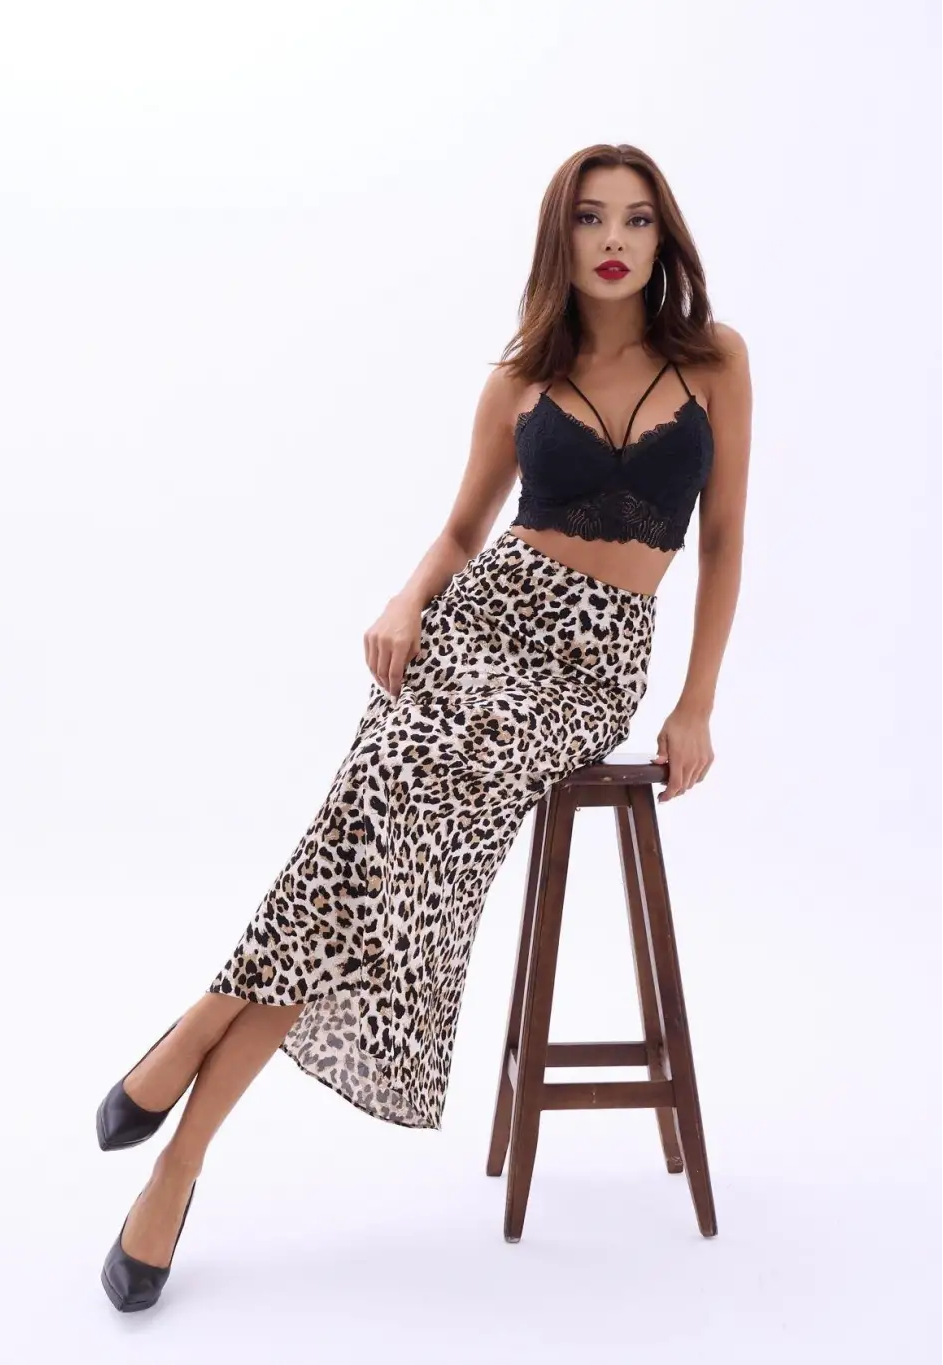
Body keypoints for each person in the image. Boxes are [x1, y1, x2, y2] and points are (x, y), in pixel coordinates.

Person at [96, 141, 751, 1312]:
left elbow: (725, 539)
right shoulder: (518, 381)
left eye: (636, 219)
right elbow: (461, 534)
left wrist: (695, 701)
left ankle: (195, 1033)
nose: (614, 240)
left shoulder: (715, 362)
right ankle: (179, 1165)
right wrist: (407, 602)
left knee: (370, 845)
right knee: (367, 842)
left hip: (589, 668)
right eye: (590, 218)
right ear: (559, 238)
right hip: (480, 627)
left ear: (663, 237)